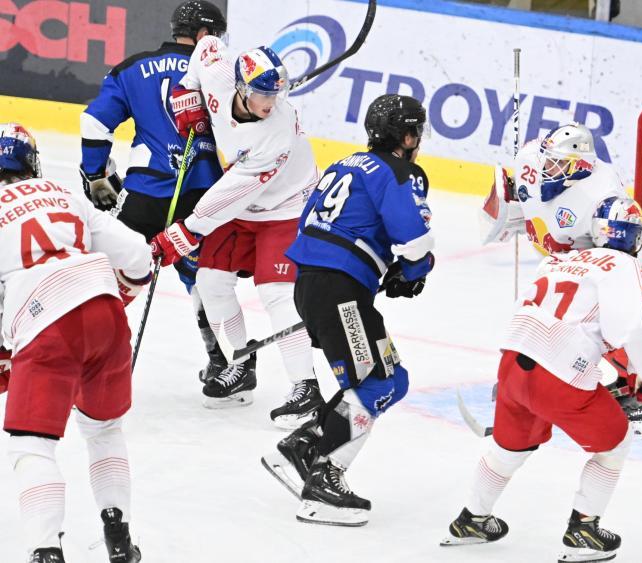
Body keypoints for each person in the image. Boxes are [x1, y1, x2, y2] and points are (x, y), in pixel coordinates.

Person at [441, 196, 642, 562]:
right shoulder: (625, 265)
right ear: (634, 238)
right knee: (616, 442)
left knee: (508, 448)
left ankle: (472, 519)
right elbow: (633, 326)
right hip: (559, 375)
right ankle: (583, 531)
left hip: (513, 364)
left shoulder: (558, 260)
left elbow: (527, 311)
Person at [260, 94, 434, 527]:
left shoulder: (346, 163)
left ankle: (303, 444)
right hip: (341, 292)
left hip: (316, 285)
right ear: (409, 136)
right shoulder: (401, 172)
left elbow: (311, 224)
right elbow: (414, 241)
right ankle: (323, 477)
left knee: (391, 378)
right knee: (377, 384)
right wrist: (412, 271)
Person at [149, 39, 320, 429]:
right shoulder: (219, 73)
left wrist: (184, 232)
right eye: (262, 92)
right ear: (240, 87)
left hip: (286, 206)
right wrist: (186, 91)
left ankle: (306, 389)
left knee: (276, 293)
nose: (271, 101)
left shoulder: (275, 133)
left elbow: (231, 194)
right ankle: (242, 365)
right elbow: (206, 44)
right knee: (210, 283)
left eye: (276, 92)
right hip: (243, 206)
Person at [0, 124, 151, 563]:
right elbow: (139, 259)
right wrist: (113, 297)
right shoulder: (63, 192)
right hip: (104, 310)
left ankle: (45, 552)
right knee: (104, 431)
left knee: (32, 445)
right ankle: (120, 543)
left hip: (43, 321)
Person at [480, 122, 642, 439]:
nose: (546, 168)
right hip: (574, 253)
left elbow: (616, 253)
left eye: (557, 164)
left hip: (632, 255)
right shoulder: (531, 157)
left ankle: (636, 395)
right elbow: (515, 194)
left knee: (612, 322)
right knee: (550, 312)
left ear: (578, 167)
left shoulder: (600, 194)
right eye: (547, 159)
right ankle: (546, 376)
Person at [79, 0, 228, 384]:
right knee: (202, 279)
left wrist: (96, 174)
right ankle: (224, 364)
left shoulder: (132, 68)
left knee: (113, 272)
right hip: (203, 196)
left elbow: (94, 123)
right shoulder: (223, 73)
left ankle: (88, 355)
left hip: (144, 192)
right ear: (205, 35)